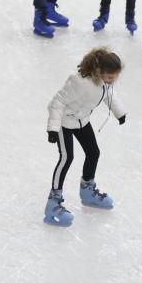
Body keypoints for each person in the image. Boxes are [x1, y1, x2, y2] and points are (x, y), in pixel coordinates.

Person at [44, 47, 126, 227]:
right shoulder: (79, 82)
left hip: (82, 120)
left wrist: (119, 113)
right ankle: (53, 204)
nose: (112, 81)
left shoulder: (104, 81)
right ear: (99, 71)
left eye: (114, 77)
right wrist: (53, 128)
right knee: (66, 158)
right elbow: (57, 102)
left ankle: (87, 192)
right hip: (64, 122)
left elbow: (108, 94)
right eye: (111, 77)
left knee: (93, 153)